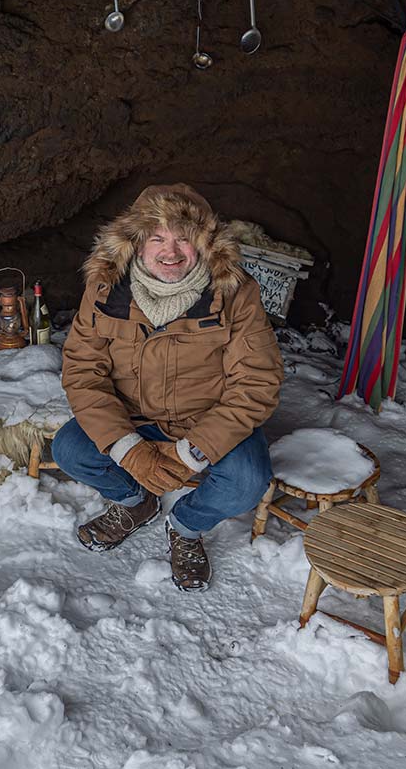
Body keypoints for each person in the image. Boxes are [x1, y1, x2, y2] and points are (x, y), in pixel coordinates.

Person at [51, 184, 282, 591]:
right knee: (70, 449)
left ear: (205, 245)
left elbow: (256, 382)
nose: (170, 252)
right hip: (133, 419)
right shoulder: (104, 289)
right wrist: (127, 447)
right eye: (157, 237)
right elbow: (82, 371)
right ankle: (135, 501)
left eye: (184, 238)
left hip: (205, 422)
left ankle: (187, 525)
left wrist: (193, 452)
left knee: (247, 481)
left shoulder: (235, 292)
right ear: (137, 244)